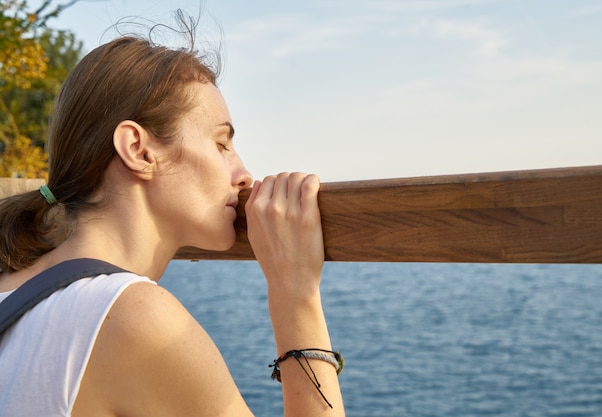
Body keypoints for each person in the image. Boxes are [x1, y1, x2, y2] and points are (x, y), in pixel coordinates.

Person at [0, 16, 344, 417]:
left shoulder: (13, 285)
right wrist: (294, 293)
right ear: (139, 149)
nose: (244, 174)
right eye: (221, 144)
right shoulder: (130, 315)